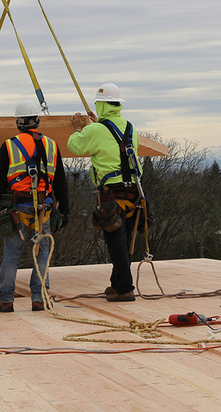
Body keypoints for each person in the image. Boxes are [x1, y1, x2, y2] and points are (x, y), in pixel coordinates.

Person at [0, 100, 69, 312]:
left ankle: (6, 300)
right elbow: (61, 181)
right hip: (44, 209)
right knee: (42, 254)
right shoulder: (52, 145)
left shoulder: (9, 145)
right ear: (37, 120)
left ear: (18, 122)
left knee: (11, 255)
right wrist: (66, 210)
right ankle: (39, 298)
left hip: (18, 209)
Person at [67, 83, 143, 302]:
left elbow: (75, 146)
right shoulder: (130, 127)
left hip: (112, 194)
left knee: (114, 241)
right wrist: (95, 125)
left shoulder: (96, 129)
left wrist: (79, 128)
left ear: (100, 105)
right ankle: (117, 283)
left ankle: (125, 289)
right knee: (125, 239)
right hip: (133, 193)